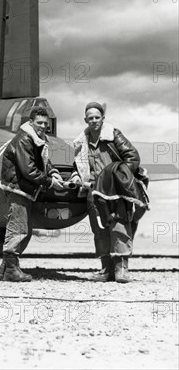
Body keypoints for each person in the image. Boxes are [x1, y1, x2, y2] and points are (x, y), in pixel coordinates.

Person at [70, 102, 149, 283]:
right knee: (100, 230)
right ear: (85, 120)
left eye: (97, 117)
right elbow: (77, 165)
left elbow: (133, 157)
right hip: (94, 191)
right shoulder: (81, 142)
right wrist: (76, 177)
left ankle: (121, 270)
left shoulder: (114, 135)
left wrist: (117, 175)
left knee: (119, 226)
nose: (94, 120)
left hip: (115, 190)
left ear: (103, 119)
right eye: (90, 118)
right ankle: (106, 270)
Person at [0, 107, 64, 282]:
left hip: (23, 189)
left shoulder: (36, 139)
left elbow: (43, 161)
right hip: (18, 188)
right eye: (39, 123)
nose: (42, 126)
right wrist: (49, 182)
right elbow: (29, 170)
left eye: (45, 123)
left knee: (22, 228)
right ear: (31, 122)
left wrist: (54, 172)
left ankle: (5, 270)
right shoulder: (25, 139)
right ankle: (11, 270)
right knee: (18, 228)